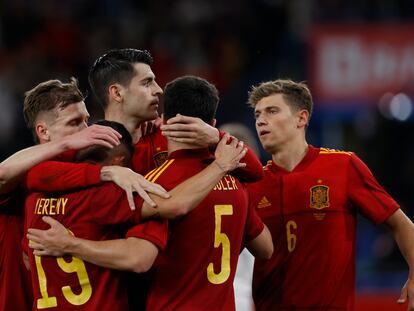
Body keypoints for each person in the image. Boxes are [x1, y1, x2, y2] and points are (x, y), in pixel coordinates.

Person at [27, 75, 274, 311]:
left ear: (163, 122)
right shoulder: (233, 180)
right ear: (211, 125)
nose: (84, 130)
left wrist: (71, 245)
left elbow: (139, 257)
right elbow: (265, 249)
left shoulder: (153, 182)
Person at [246, 79, 414, 311]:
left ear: (301, 118)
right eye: (257, 115)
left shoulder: (343, 166)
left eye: (272, 111)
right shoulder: (252, 184)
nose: (261, 120)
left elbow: (401, 224)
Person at [0, 78, 123, 311]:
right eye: (74, 123)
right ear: (43, 131)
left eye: (87, 120)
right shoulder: (22, 177)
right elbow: (2, 173)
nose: (86, 131)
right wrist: (66, 144)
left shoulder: (89, 175)